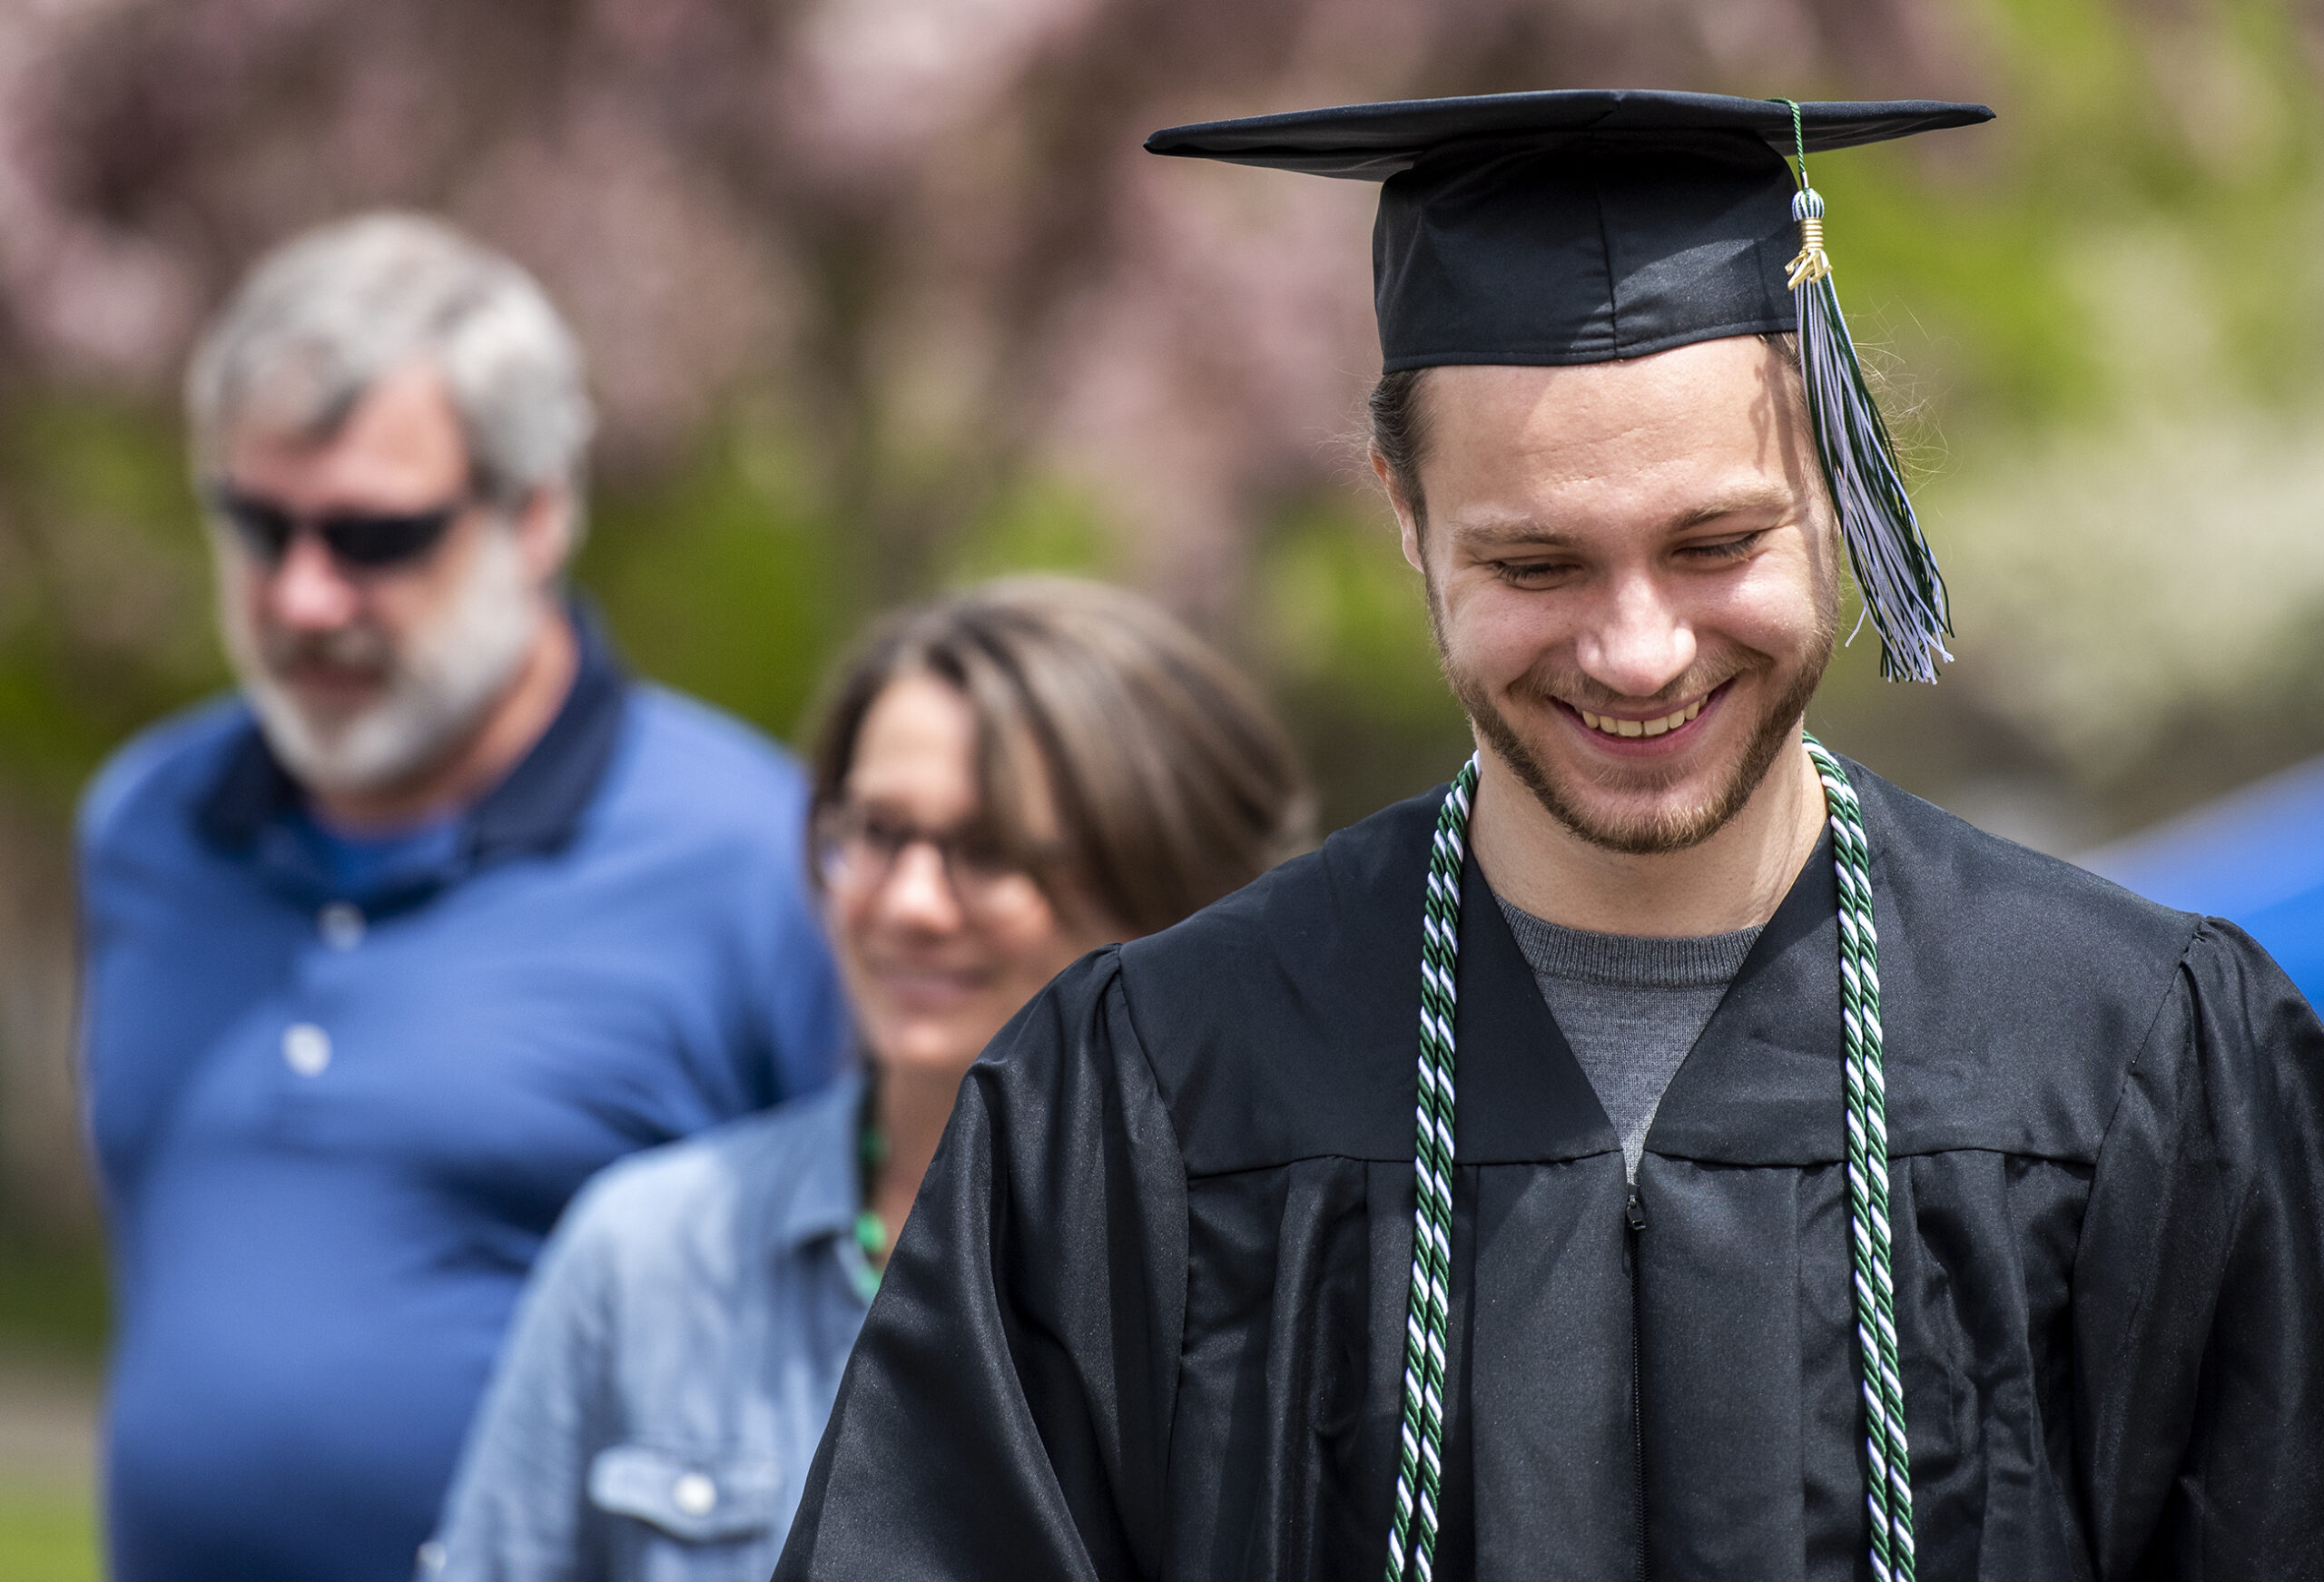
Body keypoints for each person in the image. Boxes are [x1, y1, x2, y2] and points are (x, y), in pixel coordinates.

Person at [773, 92, 2324, 1582]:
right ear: (1403, 509)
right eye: (1537, 562)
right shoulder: (1151, 1089)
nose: (1640, 649)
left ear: (1838, 486)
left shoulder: (2135, 1057)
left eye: (1716, 542)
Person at [75, 212, 848, 1582]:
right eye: (258, 525)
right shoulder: (146, 824)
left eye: (375, 536)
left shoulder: (756, 860)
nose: (304, 595)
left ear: (537, 511)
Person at [421, 575, 1313, 1579]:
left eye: (989, 849)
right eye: (878, 835)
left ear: (1169, 885)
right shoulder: (648, 1258)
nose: (911, 905)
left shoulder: (1309, 1285)